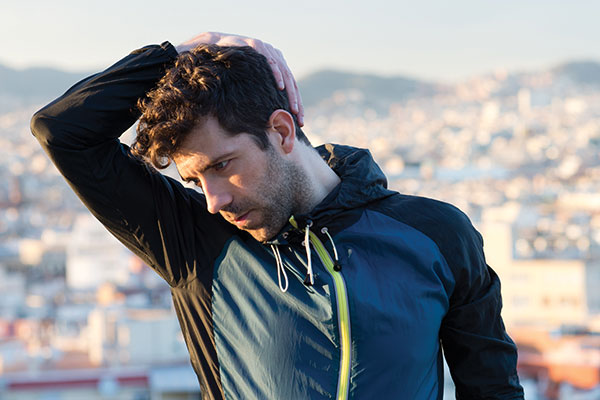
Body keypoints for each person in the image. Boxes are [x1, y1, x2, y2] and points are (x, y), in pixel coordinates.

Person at [31, 32, 524, 399]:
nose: (213, 199)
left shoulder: (435, 234)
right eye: (195, 180)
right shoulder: (195, 243)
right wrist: (181, 55)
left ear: (282, 131)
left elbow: (493, 389)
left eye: (222, 166)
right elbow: (61, 130)